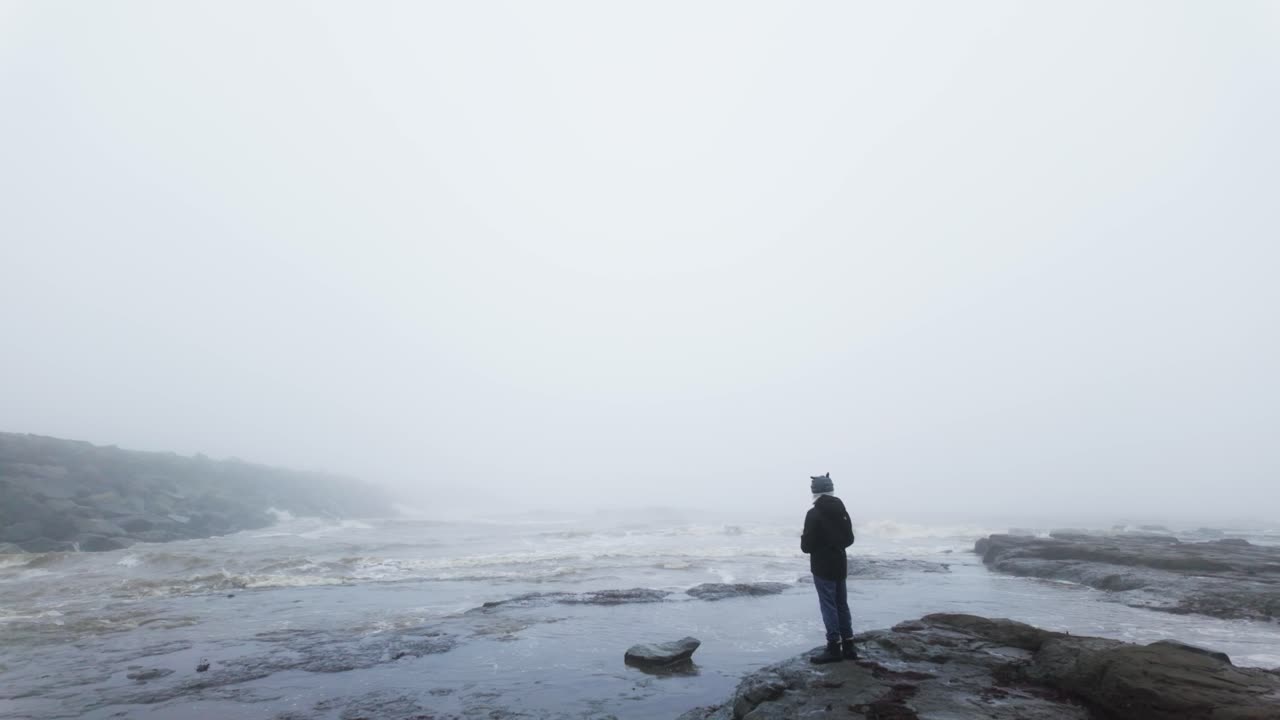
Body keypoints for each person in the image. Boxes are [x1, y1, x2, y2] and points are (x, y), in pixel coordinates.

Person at [800, 472, 856, 664]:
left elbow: (806, 547)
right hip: (840, 563)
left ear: (814, 491)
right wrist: (834, 546)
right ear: (831, 489)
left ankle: (833, 647)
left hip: (822, 566)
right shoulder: (842, 510)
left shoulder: (813, 513)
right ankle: (849, 645)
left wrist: (819, 546)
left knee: (828, 605)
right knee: (841, 603)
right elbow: (849, 539)